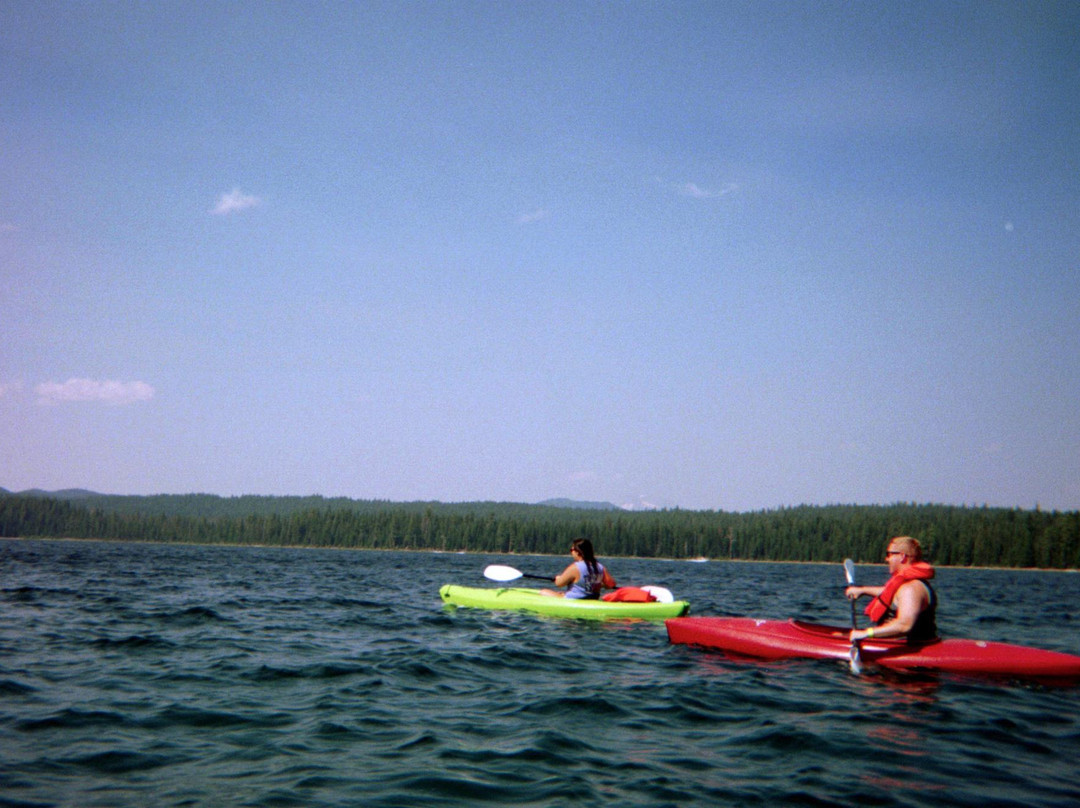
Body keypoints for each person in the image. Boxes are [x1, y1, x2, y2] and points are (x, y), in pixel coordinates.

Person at [846, 536, 937, 643]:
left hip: (904, 648)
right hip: (893, 641)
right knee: (838, 634)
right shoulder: (907, 585)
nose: (886, 559)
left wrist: (867, 633)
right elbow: (892, 594)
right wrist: (862, 590)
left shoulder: (911, 589)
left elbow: (904, 625)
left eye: (889, 554)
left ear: (902, 556)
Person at [540, 537, 616, 598]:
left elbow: (559, 584)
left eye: (571, 550)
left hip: (574, 600)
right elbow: (611, 584)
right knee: (562, 593)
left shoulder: (574, 568)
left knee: (543, 592)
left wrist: (557, 578)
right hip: (592, 599)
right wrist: (599, 584)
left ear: (577, 552)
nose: (571, 552)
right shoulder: (600, 567)